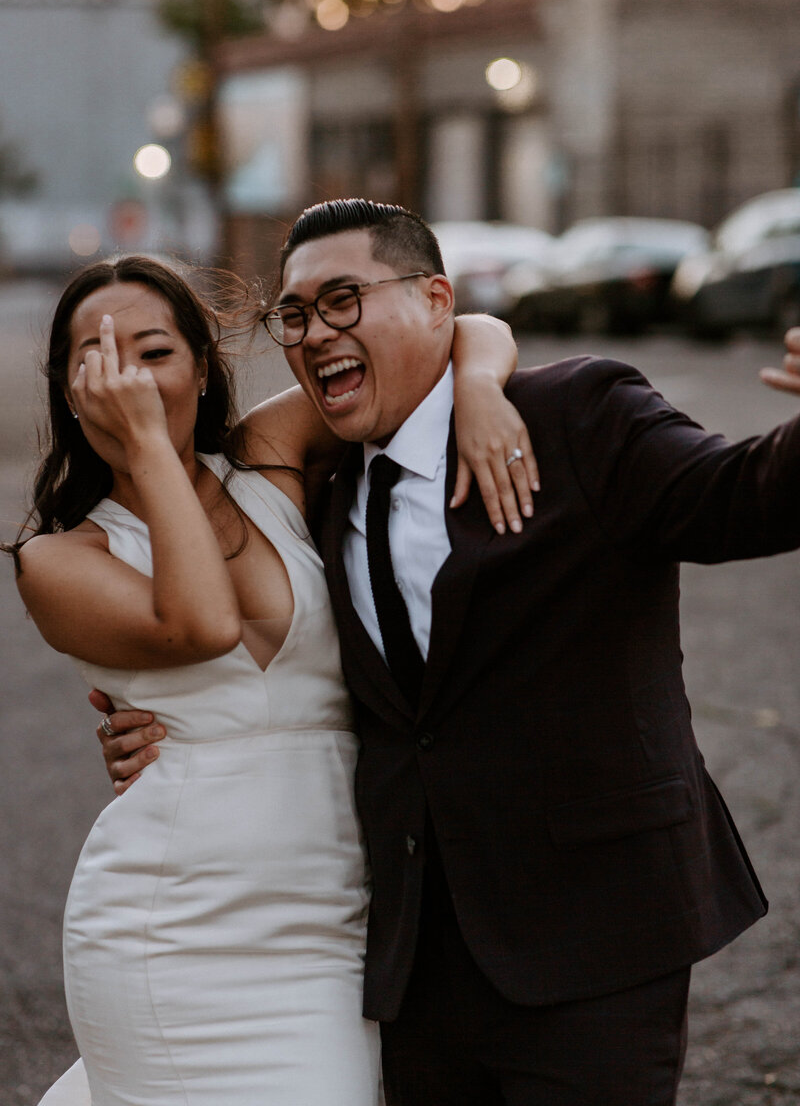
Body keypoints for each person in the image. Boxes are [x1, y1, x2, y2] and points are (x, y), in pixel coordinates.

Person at [104, 200, 800, 1106]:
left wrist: (481, 375)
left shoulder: (575, 415)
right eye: (297, 314)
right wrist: (157, 722)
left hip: (597, 936)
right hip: (414, 957)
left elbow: (738, 496)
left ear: (437, 301)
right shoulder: (313, 482)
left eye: (345, 299)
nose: (316, 333)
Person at [9, 253, 536, 1106]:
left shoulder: (267, 456)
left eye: (154, 352)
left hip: (335, 923)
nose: (131, 381)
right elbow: (200, 625)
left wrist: (475, 390)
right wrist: (149, 447)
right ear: (71, 389)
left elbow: (461, 332)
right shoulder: (58, 558)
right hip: (167, 928)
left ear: (203, 366)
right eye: (99, 360)